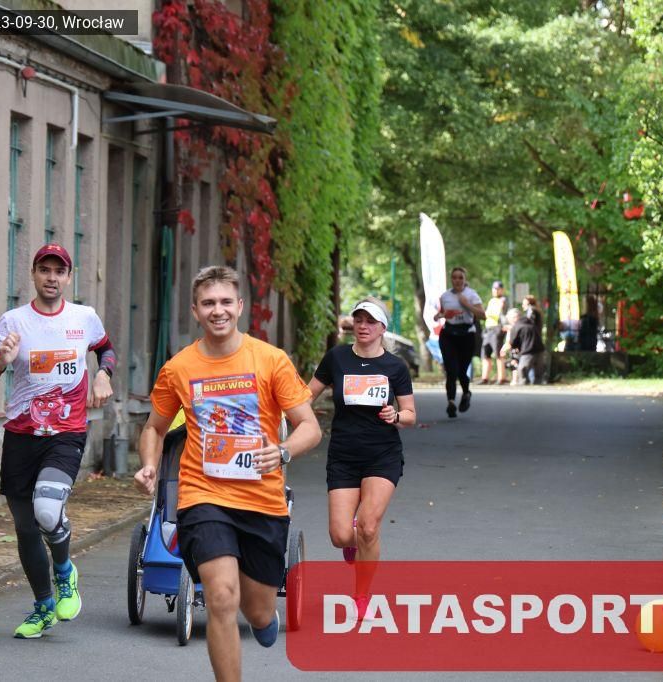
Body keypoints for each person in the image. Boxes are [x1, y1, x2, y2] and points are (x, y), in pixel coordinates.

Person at [134, 265, 321, 682]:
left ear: (239, 306)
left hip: (262, 501)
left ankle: (263, 617)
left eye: (224, 302)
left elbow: (309, 426)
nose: (217, 310)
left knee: (256, 609)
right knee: (220, 596)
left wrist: (283, 452)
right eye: (207, 303)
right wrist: (149, 464)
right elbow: (154, 428)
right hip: (203, 496)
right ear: (195, 311)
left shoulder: (270, 360)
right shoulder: (179, 368)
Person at [0, 242, 116, 639]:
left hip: (65, 434)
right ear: (34, 274)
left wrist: (103, 374)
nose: (51, 278)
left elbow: (105, 350)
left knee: (47, 511)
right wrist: (0, 363)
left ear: (69, 277)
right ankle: (43, 608)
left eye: (59, 271)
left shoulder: (84, 317)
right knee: (25, 527)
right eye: (45, 270)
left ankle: (66, 572)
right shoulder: (13, 322)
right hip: (21, 435)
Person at [308, 297, 416, 568]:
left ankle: (362, 591)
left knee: (368, 527)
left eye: (370, 321)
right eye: (358, 320)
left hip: (382, 454)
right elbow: (305, 396)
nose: (363, 326)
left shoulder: (395, 366)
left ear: (382, 328)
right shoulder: (337, 357)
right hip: (343, 455)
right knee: (340, 536)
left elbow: (410, 414)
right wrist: (280, 413)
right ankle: (362, 541)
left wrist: (396, 416)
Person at [434, 267, 484, 418]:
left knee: (462, 371)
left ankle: (466, 393)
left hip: (466, 335)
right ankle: (451, 402)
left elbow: (482, 315)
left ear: (464, 279)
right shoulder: (445, 296)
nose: (457, 280)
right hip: (448, 334)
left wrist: (466, 304)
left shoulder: (471, 294)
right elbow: (439, 314)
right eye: (454, 277)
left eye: (460, 277)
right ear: (451, 279)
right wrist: (441, 315)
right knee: (451, 370)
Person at [480, 281, 509, 385]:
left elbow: (494, 313)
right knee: (485, 353)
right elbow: (486, 314)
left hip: (497, 328)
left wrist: (487, 313)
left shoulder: (503, 300)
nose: (495, 290)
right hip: (488, 329)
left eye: (497, 289)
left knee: (498, 353)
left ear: (502, 290)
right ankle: (485, 378)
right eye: (494, 288)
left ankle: (502, 378)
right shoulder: (492, 300)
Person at [508, 304, 545, 385]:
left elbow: (513, 342)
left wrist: (514, 352)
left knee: (522, 371)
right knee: (539, 373)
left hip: (527, 351)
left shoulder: (516, 326)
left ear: (513, 318)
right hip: (540, 350)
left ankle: (524, 385)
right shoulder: (531, 323)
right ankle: (539, 385)